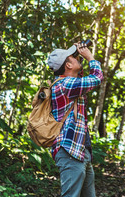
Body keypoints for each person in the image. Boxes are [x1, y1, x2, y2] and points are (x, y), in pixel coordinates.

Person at [47, 42, 103, 197]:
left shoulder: (71, 84)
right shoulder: (66, 84)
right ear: (68, 65)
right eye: (73, 57)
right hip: (70, 150)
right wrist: (90, 57)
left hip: (80, 150)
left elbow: (83, 78)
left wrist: (78, 56)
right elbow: (96, 78)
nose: (77, 58)